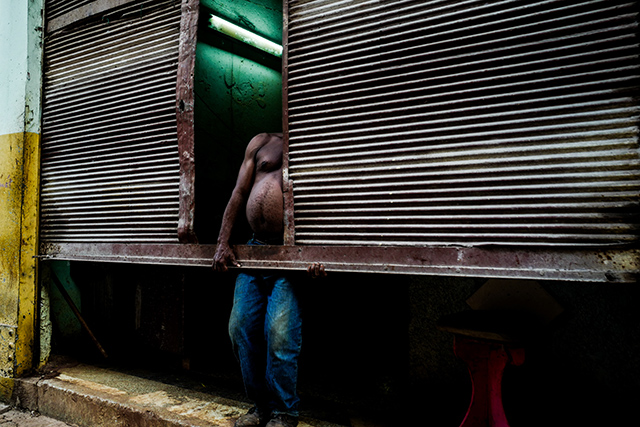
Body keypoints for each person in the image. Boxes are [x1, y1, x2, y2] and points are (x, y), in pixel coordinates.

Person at [212, 132, 325, 427]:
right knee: (239, 328)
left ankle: (284, 411)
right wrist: (223, 242)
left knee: (280, 334)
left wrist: (321, 250)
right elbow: (239, 191)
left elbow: (329, 196)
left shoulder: (317, 141)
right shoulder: (261, 141)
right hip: (254, 250)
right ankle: (260, 406)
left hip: (290, 255)